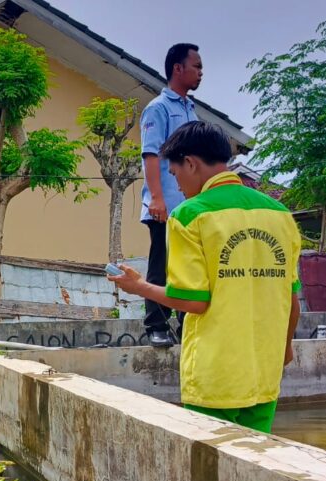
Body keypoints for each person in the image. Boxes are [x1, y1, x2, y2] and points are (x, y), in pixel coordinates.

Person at [110, 122, 301, 433]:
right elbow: (291, 300)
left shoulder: (189, 215)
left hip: (215, 375)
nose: (178, 187)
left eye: (175, 175)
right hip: (265, 370)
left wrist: (139, 286)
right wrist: (286, 346)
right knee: (255, 455)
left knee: (210, 459)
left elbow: (192, 301)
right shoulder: (280, 215)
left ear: (190, 163)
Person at [139, 43, 203, 348]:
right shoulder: (158, 108)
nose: (201, 73)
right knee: (161, 264)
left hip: (190, 207)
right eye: (196, 66)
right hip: (165, 204)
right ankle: (156, 324)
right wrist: (157, 198)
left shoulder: (191, 110)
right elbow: (151, 155)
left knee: (188, 265)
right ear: (178, 68)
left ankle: (185, 321)